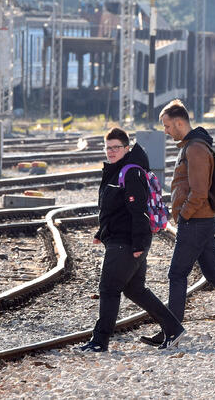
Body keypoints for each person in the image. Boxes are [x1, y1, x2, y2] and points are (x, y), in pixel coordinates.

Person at [140, 99, 215, 347]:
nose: (165, 131)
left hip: (196, 221)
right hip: (201, 220)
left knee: (176, 273)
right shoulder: (192, 145)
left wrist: (183, 215)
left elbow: (199, 191)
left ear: (179, 122)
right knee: (214, 273)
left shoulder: (195, 148)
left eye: (167, 125)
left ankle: (172, 330)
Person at [78, 127, 186, 352]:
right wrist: (102, 233)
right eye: (108, 148)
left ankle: (100, 341)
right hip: (121, 238)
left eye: (116, 147)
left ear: (127, 148)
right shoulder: (115, 170)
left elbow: (138, 212)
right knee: (135, 290)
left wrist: (138, 245)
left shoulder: (130, 172)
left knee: (108, 289)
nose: (111, 151)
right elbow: (114, 209)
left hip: (128, 242)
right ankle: (173, 329)